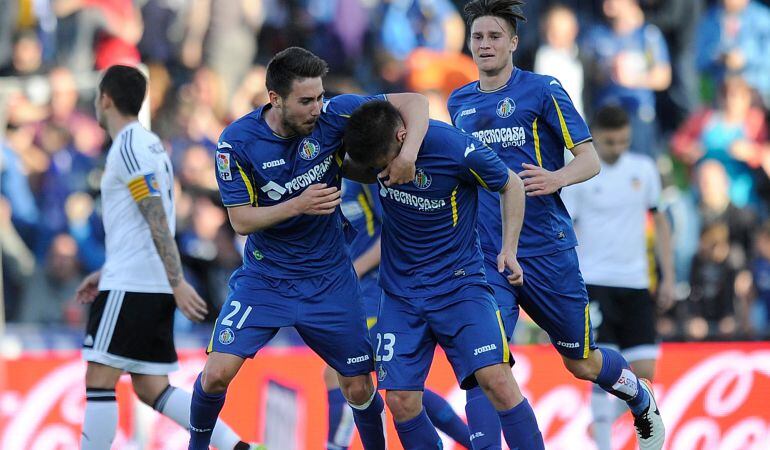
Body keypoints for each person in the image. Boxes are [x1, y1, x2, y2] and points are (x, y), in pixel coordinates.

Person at [446, 1, 664, 449]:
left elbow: (589, 158)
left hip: (547, 248)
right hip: (488, 251)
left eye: (493, 36)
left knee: (581, 362)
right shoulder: (459, 102)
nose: (484, 45)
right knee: (487, 362)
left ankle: (638, 396)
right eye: (477, 37)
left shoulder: (543, 90)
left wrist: (555, 177)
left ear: (513, 42)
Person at [188, 47, 429, 450]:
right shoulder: (237, 143)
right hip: (267, 280)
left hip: (330, 281)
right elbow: (241, 220)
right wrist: (298, 204)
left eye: (319, 97)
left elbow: (415, 103)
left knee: (357, 386)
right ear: (275, 99)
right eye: (305, 101)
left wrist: (406, 155)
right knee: (215, 374)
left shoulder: (334, 114)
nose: (317, 108)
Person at [76, 65, 260, 450]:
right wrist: (108, 270)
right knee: (151, 387)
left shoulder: (128, 146)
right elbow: (140, 223)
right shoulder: (150, 144)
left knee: (99, 378)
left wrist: (176, 282)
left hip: (134, 284)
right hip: (144, 279)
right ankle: (237, 448)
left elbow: (154, 213)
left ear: (105, 98)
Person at [343, 100, 543, 450]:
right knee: (401, 401)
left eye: (387, 163)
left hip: (459, 284)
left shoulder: (456, 149)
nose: (383, 173)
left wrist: (509, 248)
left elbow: (511, 184)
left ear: (403, 138)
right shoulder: (371, 134)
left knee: (495, 379)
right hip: (400, 293)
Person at [326, 179, 472, 449]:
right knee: (394, 384)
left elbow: (393, 231)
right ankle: (471, 442)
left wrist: (352, 273)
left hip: (374, 291)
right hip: (347, 295)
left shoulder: (362, 172)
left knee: (351, 373)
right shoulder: (324, 170)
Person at [561, 105, 675, 450]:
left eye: (624, 141)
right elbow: (564, 230)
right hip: (594, 281)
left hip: (636, 282)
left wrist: (667, 276)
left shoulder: (643, 169)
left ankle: (603, 425)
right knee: (602, 370)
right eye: (610, 142)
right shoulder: (578, 175)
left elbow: (661, 223)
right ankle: (605, 443)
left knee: (644, 372)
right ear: (596, 137)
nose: (618, 148)